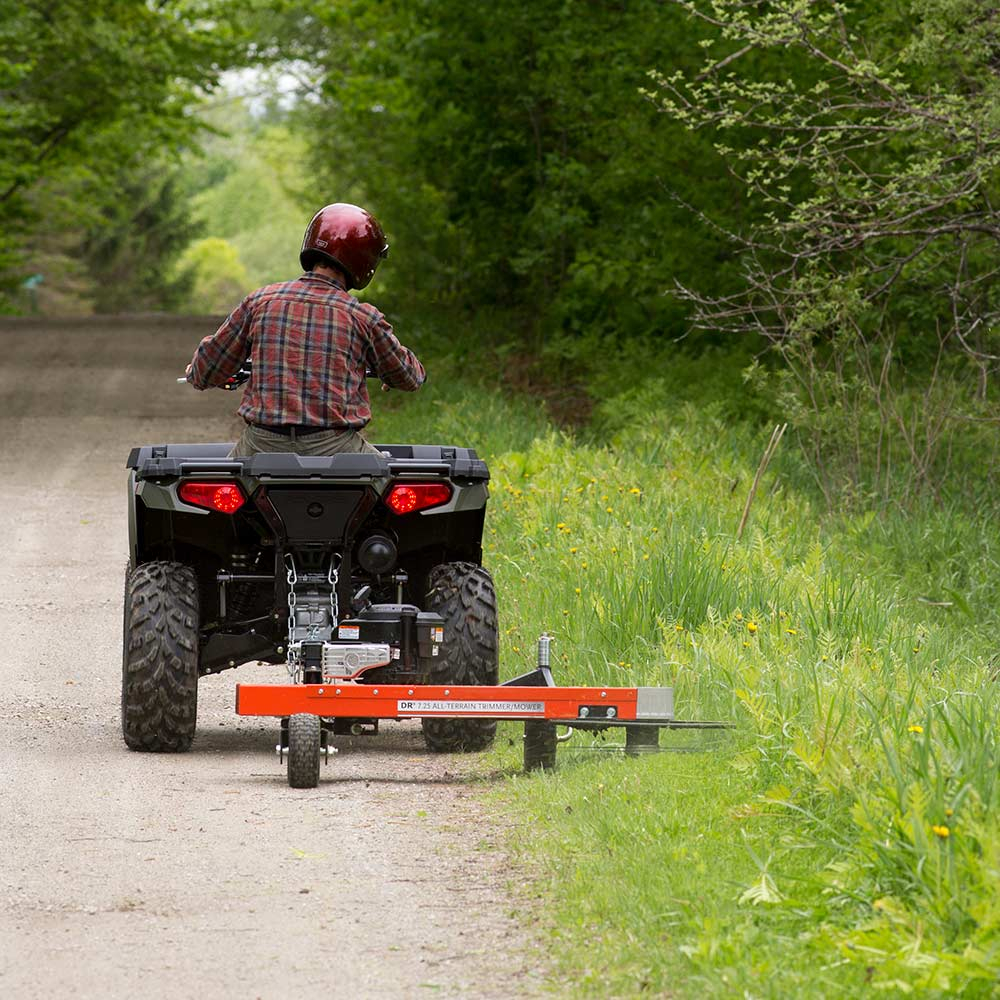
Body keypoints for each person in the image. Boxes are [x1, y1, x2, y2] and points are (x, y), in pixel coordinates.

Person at [186, 203, 426, 457]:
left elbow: (208, 369)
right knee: (384, 488)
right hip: (337, 449)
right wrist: (388, 372)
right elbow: (409, 377)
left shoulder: (261, 301)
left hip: (261, 446)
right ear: (364, 259)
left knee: (221, 489)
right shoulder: (363, 317)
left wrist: (196, 372)